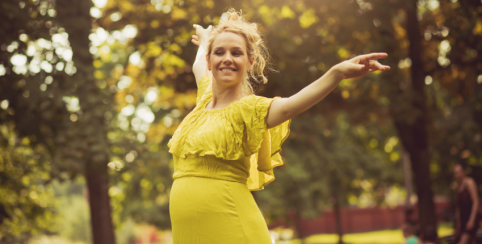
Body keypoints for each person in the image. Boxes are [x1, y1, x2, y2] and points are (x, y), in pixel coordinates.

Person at [167, 9, 390, 244]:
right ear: (210, 61)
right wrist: (204, 41)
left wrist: (336, 73)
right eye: (219, 52)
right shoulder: (204, 99)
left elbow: (290, 106)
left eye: (237, 53)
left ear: (250, 61)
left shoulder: (249, 109)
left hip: (233, 226)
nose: (227, 59)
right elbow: (196, 66)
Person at [453, 163, 480, 244]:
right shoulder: (456, 187)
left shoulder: (470, 183)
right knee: (471, 241)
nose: (456, 174)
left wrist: (472, 220)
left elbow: (476, 201)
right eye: (455, 173)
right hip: (463, 220)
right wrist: (458, 223)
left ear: (463, 172)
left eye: (458, 172)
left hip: (471, 217)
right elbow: (458, 207)